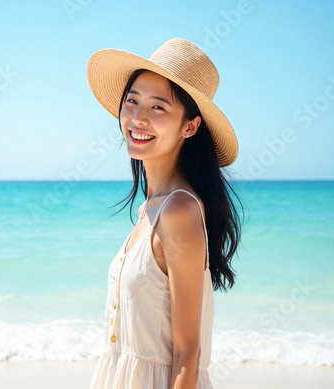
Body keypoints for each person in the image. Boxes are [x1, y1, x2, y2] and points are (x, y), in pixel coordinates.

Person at [86, 38, 243, 389]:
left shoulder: (179, 210)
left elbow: (188, 355)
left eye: (158, 108)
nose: (138, 118)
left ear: (190, 126)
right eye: (132, 101)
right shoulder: (149, 209)